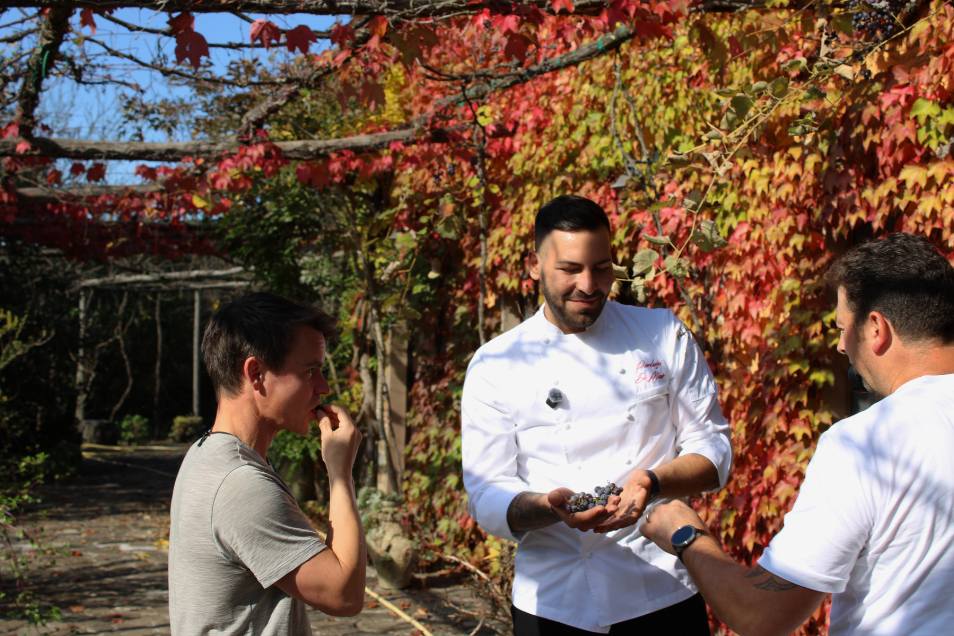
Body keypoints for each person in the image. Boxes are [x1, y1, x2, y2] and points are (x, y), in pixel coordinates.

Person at [641, 233, 954, 636]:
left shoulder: (866, 446)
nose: (840, 346)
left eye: (842, 327)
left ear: (876, 328)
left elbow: (762, 615)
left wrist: (686, 535)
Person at [461, 195, 733, 634]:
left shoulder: (661, 333)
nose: (589, 285)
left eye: (601, 267)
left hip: (661, 586)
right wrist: (549, 506)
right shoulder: (497, 364)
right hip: (553, 601)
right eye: (570, 269)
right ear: (535, 266)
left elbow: (714, 449)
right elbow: (486, 491)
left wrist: (652, 482)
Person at [168, 292, 366, 635]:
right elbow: (344, 595)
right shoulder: (240, 484)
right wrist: (339, 473)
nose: (323, 386)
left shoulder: (205, 454)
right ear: (256, 373)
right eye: (310, 371)